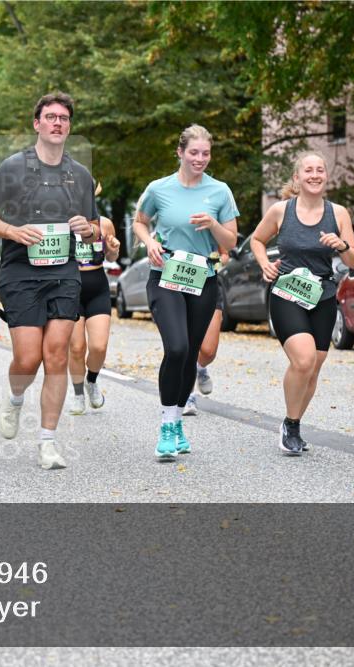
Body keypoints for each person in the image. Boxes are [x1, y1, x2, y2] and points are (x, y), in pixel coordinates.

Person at [0, 92, 100, 470]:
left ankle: (48, 441)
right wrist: (12, 231)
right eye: (50, 117)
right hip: (20, 272)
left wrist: (87, 229)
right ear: (37, 123)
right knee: (28, 359)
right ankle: (14, 400)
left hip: (63, 272)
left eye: (63, 118)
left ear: (69, 126)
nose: (57, 123)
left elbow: (95, 229)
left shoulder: (79, 175)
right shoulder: (13, 167)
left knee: (57, 354)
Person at [132, 124, 238, 461]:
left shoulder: (220, 191)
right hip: (165, 275)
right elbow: (139, 221)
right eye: (194, 152)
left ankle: (178, 423)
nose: (200, 159)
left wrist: (214, 225)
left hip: (202, 279)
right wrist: (149, 242)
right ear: (180, 152)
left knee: (191, 352)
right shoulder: (159, 189)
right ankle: (165, 426)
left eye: (205, 153)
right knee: (176, 347)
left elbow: (231, 242)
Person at [250, 152, 354, 455]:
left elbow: (353, 260)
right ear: (297, 178)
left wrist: (343, 245)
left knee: (313, 368)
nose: (314, 175)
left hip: (322, 295)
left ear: (326, 177)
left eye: (320, 170)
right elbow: (257, 240)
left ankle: (292, 424)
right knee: (303, 359)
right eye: (308, 170)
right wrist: (264, 264)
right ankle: (291, 424)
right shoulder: (280, 211)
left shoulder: (338, 214)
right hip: (286, 291)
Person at [67, 198, 121, 415]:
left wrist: (113, 249)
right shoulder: (63, 223)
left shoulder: (104, 223)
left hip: (97, 286)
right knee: (77, 348)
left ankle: (92, 381)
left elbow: (111, 256)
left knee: (98, 347)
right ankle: (78, 394)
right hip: (71, 288)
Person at [182, 248, 230, 416]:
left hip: (208, 286)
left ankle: (200, 368)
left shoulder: (212, 223)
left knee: (209, 351)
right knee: (185, 346)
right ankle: (187, 396)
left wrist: (213, 263)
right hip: (180, 283)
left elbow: (225, 255)